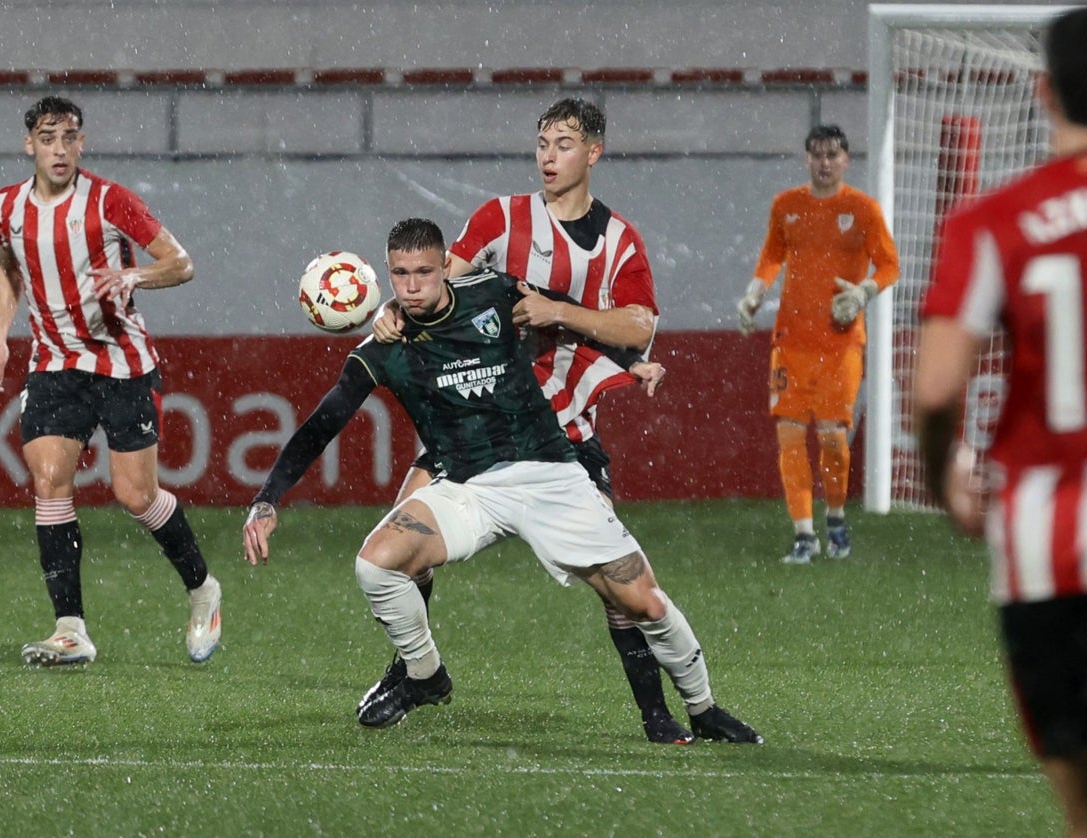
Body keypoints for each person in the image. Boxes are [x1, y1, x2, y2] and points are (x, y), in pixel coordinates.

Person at [244, 218, 762, 743]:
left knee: (644, 603)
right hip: (468, 487)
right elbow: (320, 425)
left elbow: (565, 316)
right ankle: (425, 676)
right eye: (400, 274)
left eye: (424, 271)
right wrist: (267, 500)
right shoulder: (384, 348)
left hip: (548, 473)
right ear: (387, 275)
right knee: (375, 565)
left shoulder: (494, 293)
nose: (413, 285)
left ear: (446, 267)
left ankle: (702, 710)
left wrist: (633, 361)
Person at [366, 98, 693, 745]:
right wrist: (389, 317)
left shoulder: (619, 241)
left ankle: (657, 715)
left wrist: (557, 312)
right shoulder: (499, 218)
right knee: (396, 549)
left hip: (559, 434)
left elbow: (639, 324)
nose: (548, 155)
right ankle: (415, 671)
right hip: (470, 424)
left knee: (617, 584)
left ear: (594, 153)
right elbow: (435, 290)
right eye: (542, 142)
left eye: (564, 143)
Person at [914, 8, 1087, 834]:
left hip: (1045, 543)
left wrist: (944, 474)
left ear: (1043, 88)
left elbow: (940, 389)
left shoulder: (994, 223)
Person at [0, 95, 221, 666]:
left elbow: (181, 262)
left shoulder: (111, 200)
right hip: (54, 362)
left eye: (68, 137)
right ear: (29, 144)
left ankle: (202, 588)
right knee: (49, 482)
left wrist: (135, 272)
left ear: (82, 142)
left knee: (135, 495)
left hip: (121, 362)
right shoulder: (6, 208)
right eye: (47, 137)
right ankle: (71, 629)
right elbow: (9, 264)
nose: (58, 149)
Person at [737, 124, 900, 564]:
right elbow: (772, 255)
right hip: (790, 341)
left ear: (846, 160)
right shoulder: (786, 205)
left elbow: (889, 265)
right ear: (807, 159)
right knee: (790, 436)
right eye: (817, 154)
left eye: (832, 155)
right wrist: (755, 292)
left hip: (841, 344)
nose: (824, 163)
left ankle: (836, 517)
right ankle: (804, 535)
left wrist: (864, 291)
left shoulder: (862, 209)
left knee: (831, 439)